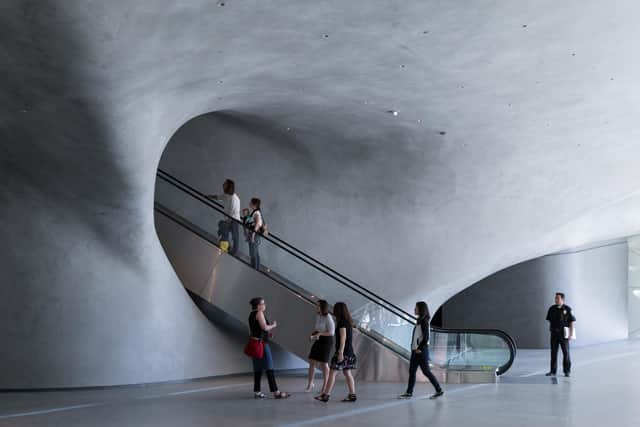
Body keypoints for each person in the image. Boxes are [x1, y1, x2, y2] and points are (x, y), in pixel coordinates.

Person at [398, 301, 444, 399]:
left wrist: (419, 348)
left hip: (421, 351)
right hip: (416, 350)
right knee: (412, 371)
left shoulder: (424, 321)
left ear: (421, 309)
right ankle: (409, 392)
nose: (414, 309)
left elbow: (426, 337)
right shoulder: (420, 320)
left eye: (416, 308)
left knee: (426, 371)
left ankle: (439, 390)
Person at [248, 297, 290, 399]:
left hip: (254, 343)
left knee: (257, 369)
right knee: (269, 367)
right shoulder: (259, 313)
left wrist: (267, 334)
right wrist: (273, 325)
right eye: (263, 303)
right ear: (258, 306)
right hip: (262, 344)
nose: (264, 305)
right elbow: (264, 327)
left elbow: (256, 329)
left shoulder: (251, 314)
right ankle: (276, 392)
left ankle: (257, 392)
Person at [315, 302, 357, 403]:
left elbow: (343, 338)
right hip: (349, 352)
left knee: (332, 373)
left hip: (343, 353)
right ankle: (352, 395)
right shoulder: (347, 322)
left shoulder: (342, 322)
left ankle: (326, 395)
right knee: (347, 373)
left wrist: (340, 352)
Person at [305, 300, 335, 393]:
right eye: (316, 305)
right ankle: (310, 383)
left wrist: (319, 334)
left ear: (322, 307)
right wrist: (313, 335)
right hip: (319, 340)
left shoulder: (328, 317)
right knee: (312, 361)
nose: (316, 306)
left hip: (326, 341)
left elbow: (331, 332)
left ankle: (325, 385)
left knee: (324, 364)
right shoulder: (318, 316)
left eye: (317, 305)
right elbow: (317, 329)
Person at [545, 292, 576, 377]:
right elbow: (549, 320)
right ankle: (552, 371)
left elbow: (571, 322)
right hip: (554, 334)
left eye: (557, 298)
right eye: (555, 298)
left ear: (562, 299)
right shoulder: (552, 308)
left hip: (564, 335)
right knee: (553, 353)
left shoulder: (568, 309)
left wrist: (570, 334)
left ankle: (567, 371)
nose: (556, 300)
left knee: (566, 353)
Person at [207, 179, 241, 256]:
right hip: (228, 219)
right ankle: (226, 246)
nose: (223, 185)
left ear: (229, 186)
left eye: (225, 184)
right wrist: (210, 197)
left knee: (235, 237)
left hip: (234, 220)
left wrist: (228, 221)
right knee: (221, 225)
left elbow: (233, 212)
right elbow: (218, 197)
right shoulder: (226, 195)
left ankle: (233, 253)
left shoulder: (234, 198)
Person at [245, 198, 264, 270]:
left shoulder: (256, 213)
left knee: (253, 253)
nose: (249, 203)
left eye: (251, 202)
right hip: (255, 234)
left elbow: (257, 225)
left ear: (254, 204)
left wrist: (252, 235)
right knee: (255, 252)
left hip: (254, 235)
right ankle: (256, 268)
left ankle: (254, 268)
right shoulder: (255, 212)